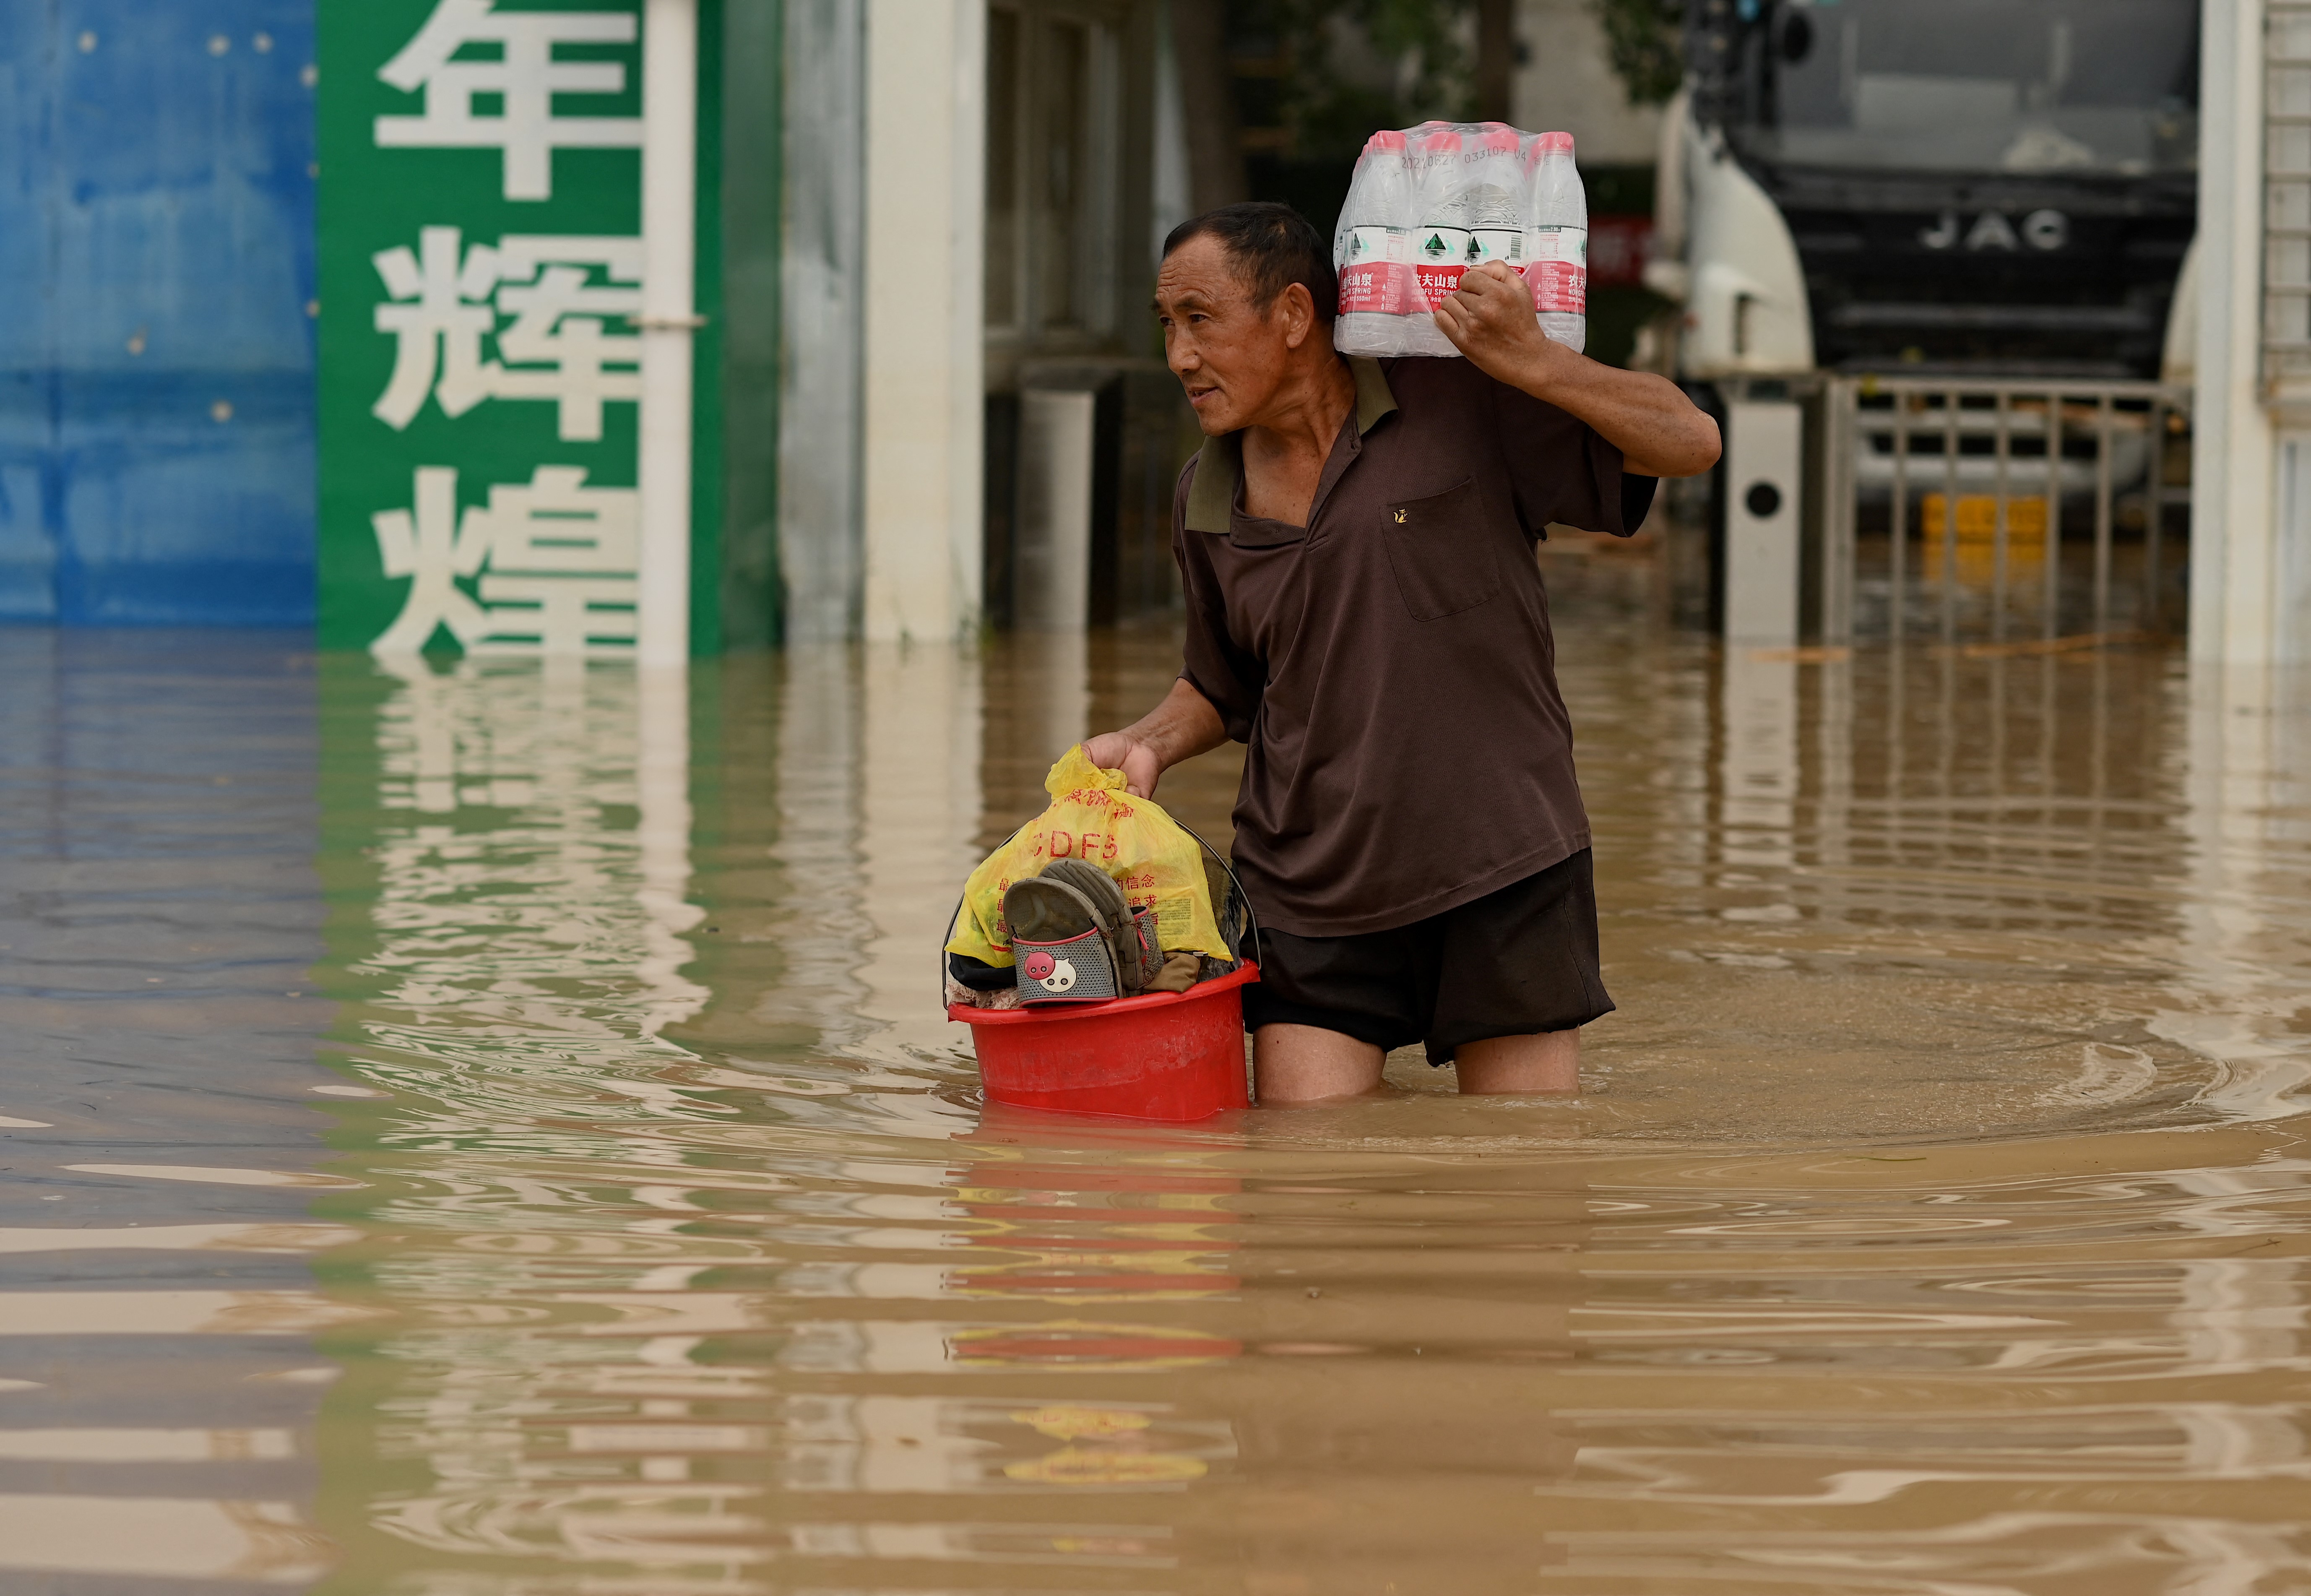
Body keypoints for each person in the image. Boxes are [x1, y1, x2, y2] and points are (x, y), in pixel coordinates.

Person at [1082, 202, 1720, 1105]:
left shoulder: (1460, 401)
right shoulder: (1205, 495)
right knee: (1311, 1180)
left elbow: (1692, 443)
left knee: (1520, 1187)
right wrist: (1143, 743)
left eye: (1200, 320)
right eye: (1168, 327)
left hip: (1501, 861)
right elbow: (1220, 686)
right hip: (1308, 890)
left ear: (1297, 316)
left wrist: (1536, 361)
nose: (1180, 356)